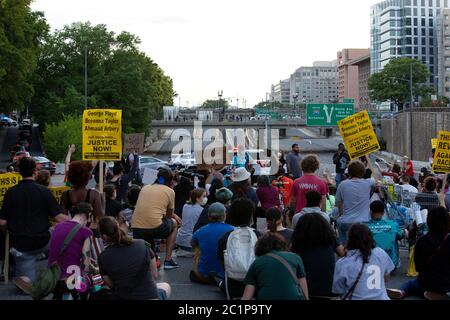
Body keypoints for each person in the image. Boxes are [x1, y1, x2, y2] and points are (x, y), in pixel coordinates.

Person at [0, 157, 68, 293]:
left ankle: (25, 277)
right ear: (35, 172)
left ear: (19, 172)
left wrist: (9, 233)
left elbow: (2, 222)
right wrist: (78, 223)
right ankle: (60, 271)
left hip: (20, 244)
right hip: (43, 240)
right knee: (59, 234)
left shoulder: (10, 193)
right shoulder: (44, 192)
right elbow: (59, 218)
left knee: (27, 281)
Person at [98, 217, 171, 300]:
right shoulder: (142, 244)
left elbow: (111, 285)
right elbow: (154, 275)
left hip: (124, 295)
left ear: (104, 236)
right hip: (149, 296)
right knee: (165, 286)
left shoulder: (103, 257)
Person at [388, 207, 450, 300]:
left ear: (429, 221)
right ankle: (444, 295)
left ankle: (402, 291)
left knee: (410, 284)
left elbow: (418, 268)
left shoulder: (422, 241)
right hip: (447, 283)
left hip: (427, 282)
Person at [131, 168, 181, 270]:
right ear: (171, 181)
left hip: (136, 228)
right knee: (174, 224)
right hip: (155, 227)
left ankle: (151, 259)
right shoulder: (170, 191)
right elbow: (168, 216)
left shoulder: (145, 188)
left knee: (149, 230)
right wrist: (174, 216)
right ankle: (168, 260)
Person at [332, 224, 395, 300]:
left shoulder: (342, 263)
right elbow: (386, 278)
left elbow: (338, 290)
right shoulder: (380, 253)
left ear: (350, 239)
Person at [291, 213, 345, 298]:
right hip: (330, 291)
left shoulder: (298, 245)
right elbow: (344, 253)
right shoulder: (330, 241)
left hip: (307, 292)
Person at [241, 232, 308, 300]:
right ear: (283, 244)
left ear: (260, 247)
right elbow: (303, 289)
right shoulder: (295, 257)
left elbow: (247, 297)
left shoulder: (257, 262)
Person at [48, 203, 94, 300]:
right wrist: (95, 269)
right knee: (94, 285)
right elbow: (86, 266)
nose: (90, 220)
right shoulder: (86, 231)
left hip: (53, 278)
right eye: (90, 217)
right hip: (73, 280)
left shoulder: (57, 227)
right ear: (86, 215)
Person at [217, 198, 260, 299]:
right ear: (251, 216)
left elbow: (223, 262)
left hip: (232, 286)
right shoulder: (259, 236)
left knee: (221, 282)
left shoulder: (226, 237)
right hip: (256, 287)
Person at [190, 203, 234, 284]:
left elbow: (192, 242)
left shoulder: (201, 230)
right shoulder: (233, 230)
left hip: (203, 276)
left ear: (209, 216)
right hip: (226, 276)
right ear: (224, 215)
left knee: (198, 250)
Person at [335, 159, 375, 244]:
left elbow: (339, 203)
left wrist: (342, 215)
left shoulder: (342, 184)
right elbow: (376, 180)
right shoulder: (368, 183)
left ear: (348, 171)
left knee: (340, 225)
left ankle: (344, 247)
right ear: (363, 172)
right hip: (363, 222)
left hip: (346, 221)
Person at [61, 161, 104, 232]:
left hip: (72, 230)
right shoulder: (94, 194)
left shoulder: (66, 194)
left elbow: (62, 217)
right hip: (89, 230)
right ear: (87, 177)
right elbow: (99, 218)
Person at [365, 200, 406, 268]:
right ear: (383, 212)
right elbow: (401, 235)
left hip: (369, 264)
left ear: (370, 212)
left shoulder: (363, 226)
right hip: (391, 264)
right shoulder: (393, 224)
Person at [176, 188, 207, 257]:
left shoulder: (185, 206)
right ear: (197, 198)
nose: (205, 198)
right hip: (190, 242)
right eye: (204, 196)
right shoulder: (202, 211)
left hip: (180, 239)